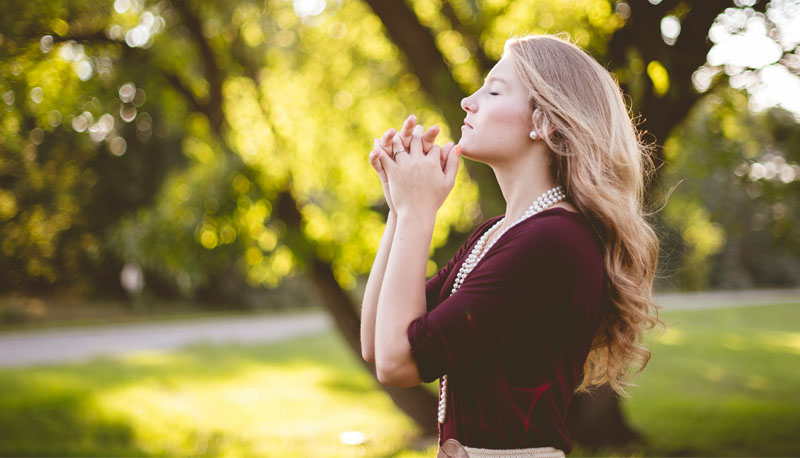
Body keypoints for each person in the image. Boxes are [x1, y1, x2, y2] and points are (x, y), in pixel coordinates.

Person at [360, 34, 662, 458]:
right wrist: (400, 207)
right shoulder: (498, 233)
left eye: (494, 90)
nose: (469, 99)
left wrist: (418, 213)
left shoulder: (552, 242)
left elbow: (398, 364)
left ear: (546, 121)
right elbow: (377, 344)